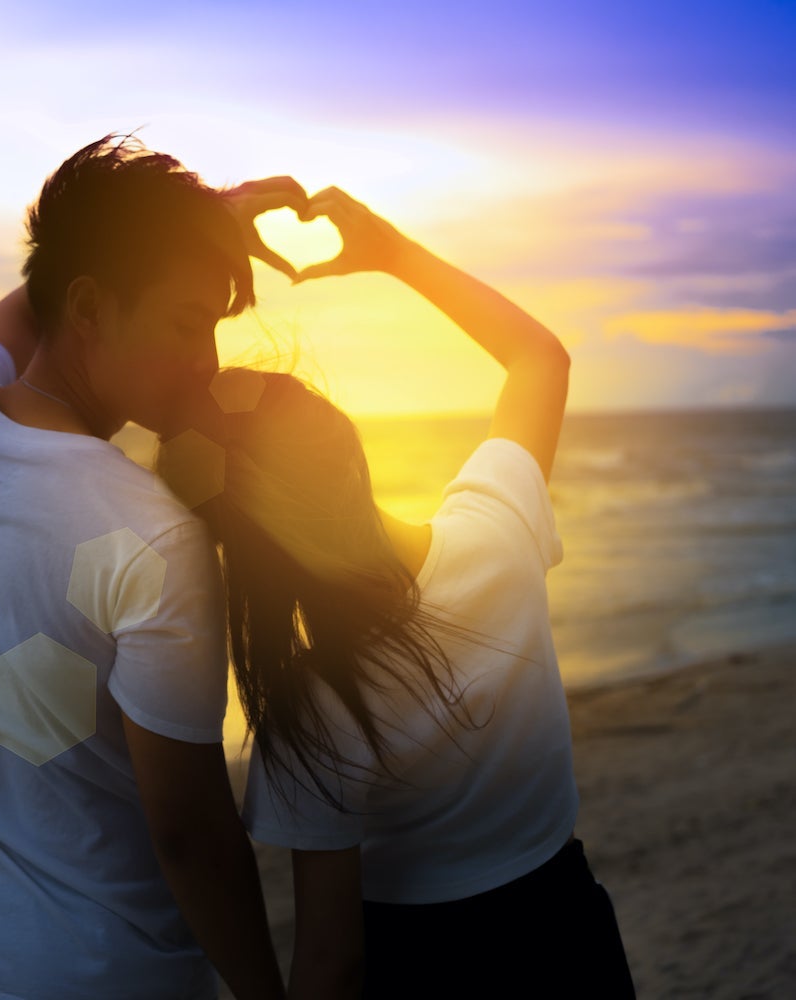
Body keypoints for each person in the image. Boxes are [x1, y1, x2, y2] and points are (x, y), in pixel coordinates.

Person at [154, 186, 637, 999]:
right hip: (570, 934)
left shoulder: (315, 709)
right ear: (348, 448)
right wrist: (392, 254)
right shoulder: (498, 532)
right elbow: (539, 358)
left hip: (422, 966)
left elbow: (332, 963)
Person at [0, 135, 299, 999]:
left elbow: (36, 303)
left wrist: (201, 220)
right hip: (114, 976)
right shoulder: (154, 534)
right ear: (88, 307)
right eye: (186, 323)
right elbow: (189, 831)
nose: (207, 361)